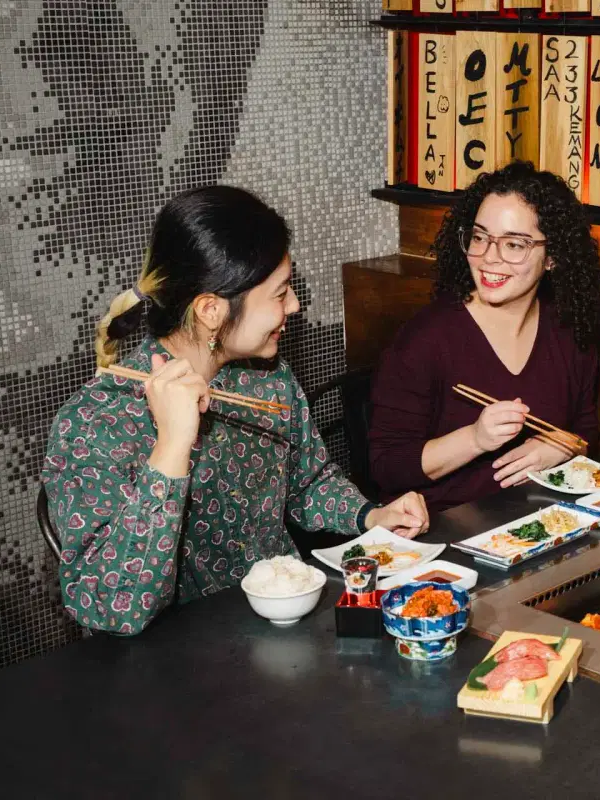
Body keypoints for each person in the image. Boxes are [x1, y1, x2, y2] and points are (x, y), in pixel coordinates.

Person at [43, 186, 429, 635]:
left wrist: (371, 516)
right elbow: (110, 608)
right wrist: (170, 447)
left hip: (276, 631)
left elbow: (307, 483)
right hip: (161, 668)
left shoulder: (265, 378)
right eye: (280, 293)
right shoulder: (95, 420)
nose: (295, 306)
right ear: (211, 309)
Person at [369, 162, 600, 512]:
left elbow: (586, 431)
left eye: (514, 244)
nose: (488, 258)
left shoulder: (568, 329)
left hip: (539, 522)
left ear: (553, 257)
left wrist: (563, 446)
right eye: (480, 237)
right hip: (441, 535)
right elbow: (386, 467)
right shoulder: (425, 340)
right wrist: (475, 439)